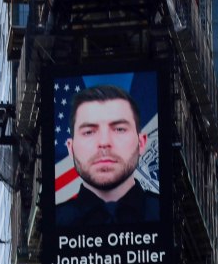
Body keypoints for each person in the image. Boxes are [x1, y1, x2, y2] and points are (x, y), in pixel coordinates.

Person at [55, 84, 160, 226]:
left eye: (119, 129)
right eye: (89, 132)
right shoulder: (56, 220)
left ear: (141, 143)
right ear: (71, 148)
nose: (104, 142)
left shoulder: (164, 212)